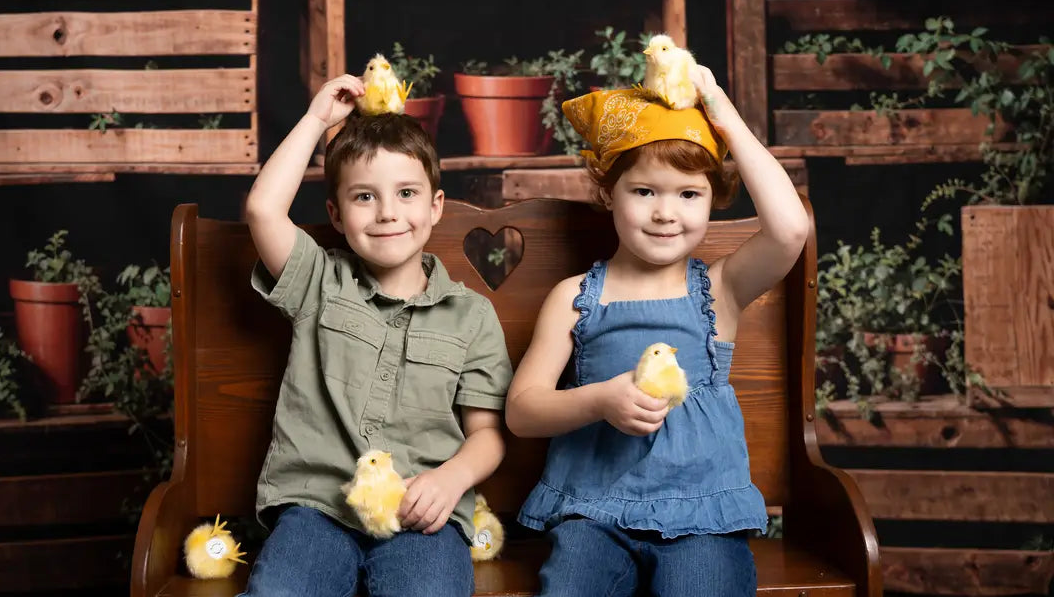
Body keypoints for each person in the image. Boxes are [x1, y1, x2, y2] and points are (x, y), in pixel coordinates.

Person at [505, 65, 810, 597]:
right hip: (593, 513)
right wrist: (599, 400)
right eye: (644, 190)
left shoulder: (720, 290)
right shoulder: (575, 298)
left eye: (689, 194)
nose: (666, 213)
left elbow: (790, 229)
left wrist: (724, 115)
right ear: (608, 192)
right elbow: (522, 410)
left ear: (713, 197)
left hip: (702, 518)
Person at [240, 73, 513, 597]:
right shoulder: (320, 282)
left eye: (406, 193)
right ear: (336, 215)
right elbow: (263, 210)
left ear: (434, 206)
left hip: (421, 514)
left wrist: (450, 479)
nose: (388, 212)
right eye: (365, 196)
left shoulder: (471, 315)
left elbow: (488, 434)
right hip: (318, 508)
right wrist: (318, 119)